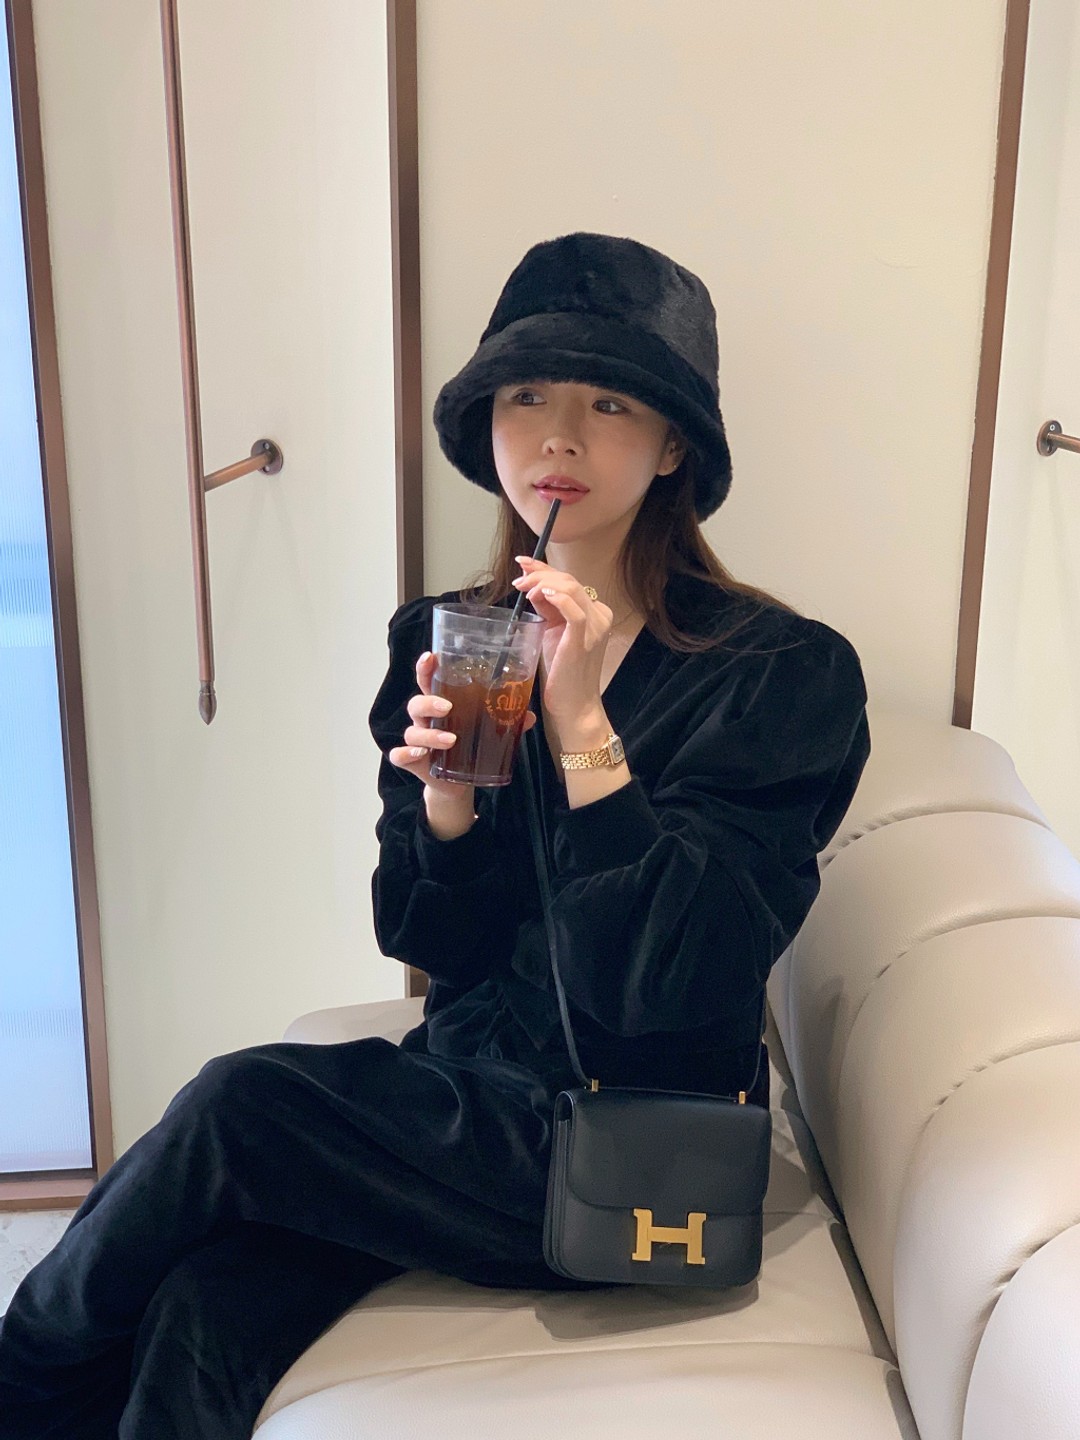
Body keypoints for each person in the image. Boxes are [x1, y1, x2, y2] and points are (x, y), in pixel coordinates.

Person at [0, 232, 871, 1438]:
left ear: (675, 447)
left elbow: (668, 980)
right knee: (209, 1301)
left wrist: (582, 724)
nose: (558, 438)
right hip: (465, 1096)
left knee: (242, 1103)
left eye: (609, 403)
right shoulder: (454, 635)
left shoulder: (777, 673)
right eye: (527, 397)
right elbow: (430, 942)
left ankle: (24, 1378)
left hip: (628, 1150)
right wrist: (447, 812)